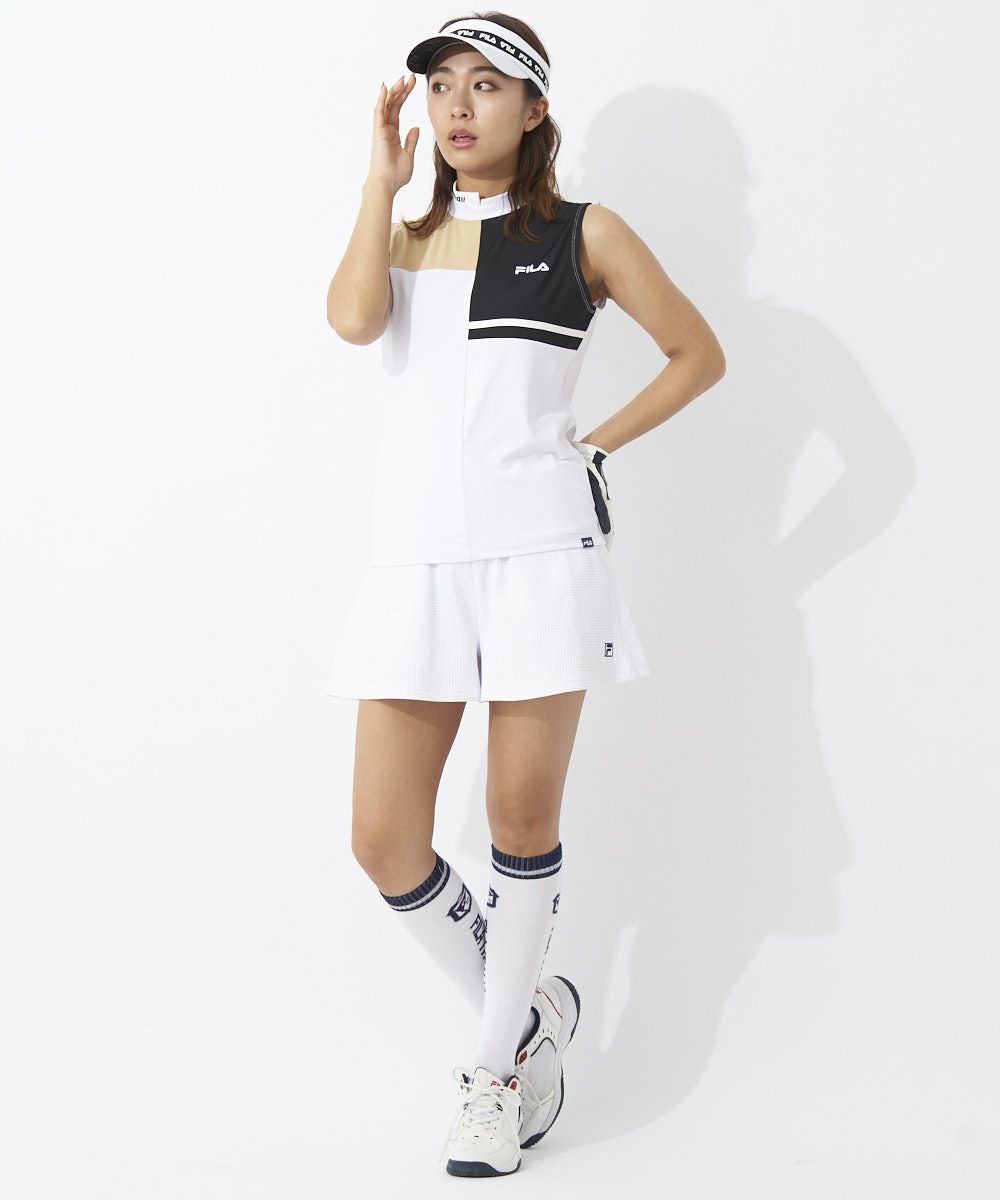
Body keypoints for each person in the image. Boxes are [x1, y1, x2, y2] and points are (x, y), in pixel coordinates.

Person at [324, 12, 726, 1178]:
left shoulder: (583, 232)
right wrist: (378, 183)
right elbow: (352, 321)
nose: (457, 106)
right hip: (416, 563)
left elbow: (697, 353)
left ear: (535, 107)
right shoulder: (403, 236)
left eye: (486, 86)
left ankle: (495, 1078)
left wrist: (592, 448)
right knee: (383, 841)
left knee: (516, 819)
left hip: (542, 554)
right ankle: (533, 1013)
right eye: (441, 85)